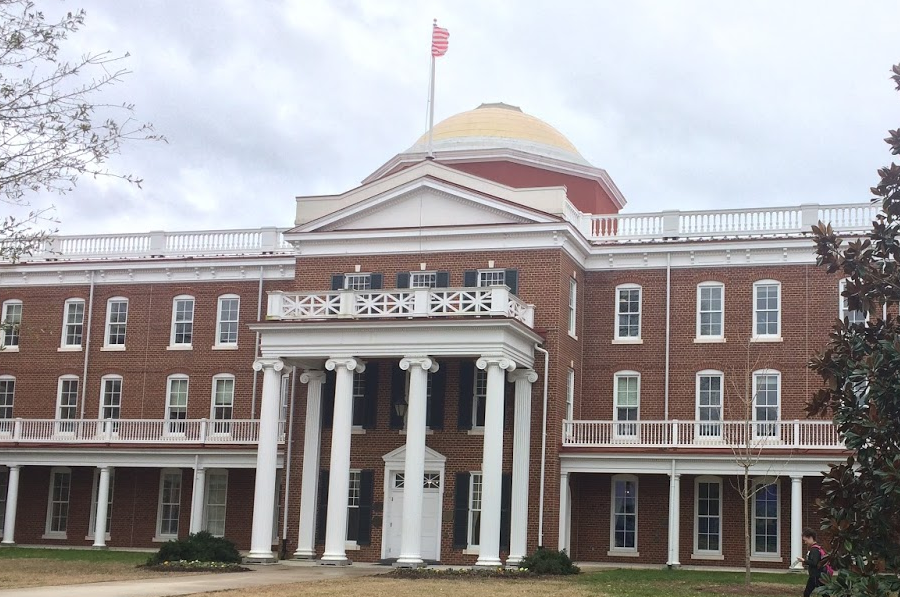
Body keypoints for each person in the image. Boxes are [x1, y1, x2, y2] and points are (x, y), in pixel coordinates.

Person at [795, 527, 831, 597]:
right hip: (819, 575)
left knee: (807, 593)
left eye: (805, 540)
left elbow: (814, 563)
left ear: (811, 538)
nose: (805, 542)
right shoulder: (818, 548)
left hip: (815, 576)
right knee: (824, 593)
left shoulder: (814, 550)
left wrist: (804, 561)